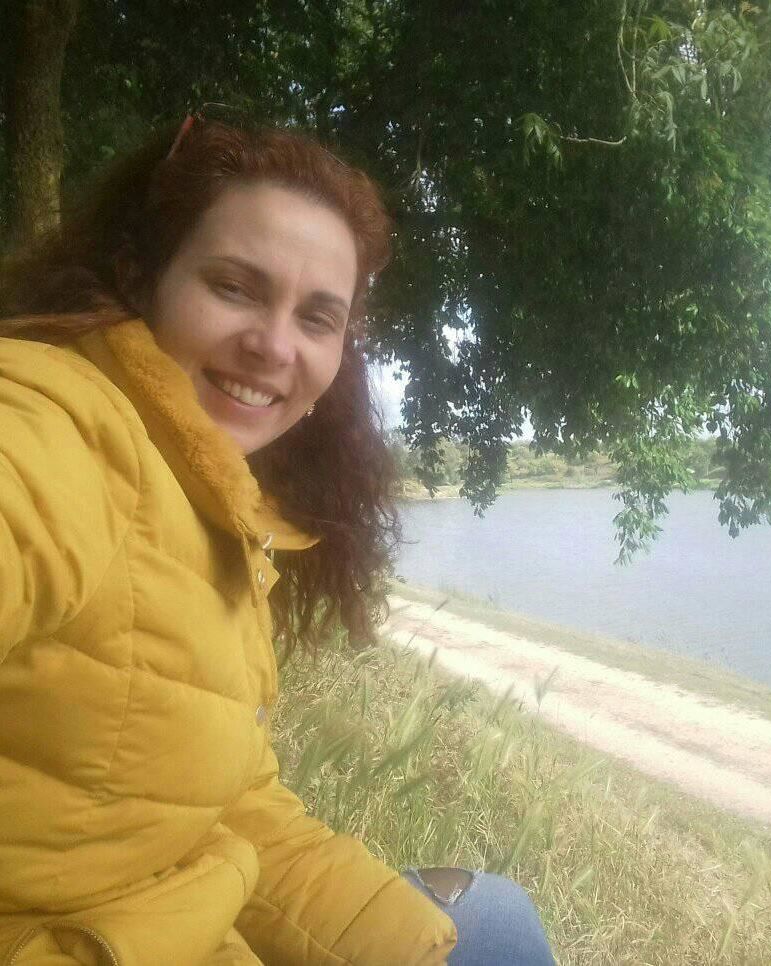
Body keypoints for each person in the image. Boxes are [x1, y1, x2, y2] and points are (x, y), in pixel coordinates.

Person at [0, 116, 555, 965]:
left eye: (318, 318)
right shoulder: (65, 423)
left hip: (181, 922)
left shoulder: (215, 505)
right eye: (234, 287)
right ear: (141, 277)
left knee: (496, 921)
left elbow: (226, 810)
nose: (273, 346)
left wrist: (412, 950)